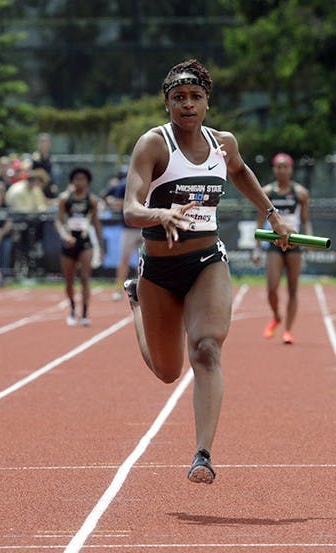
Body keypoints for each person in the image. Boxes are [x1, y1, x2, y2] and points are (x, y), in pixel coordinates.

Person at [122, 59, 293, 484]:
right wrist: (161, 213)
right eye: (178, 97)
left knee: (207, 350)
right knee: (167, 372)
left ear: (207, 104)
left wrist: (271, 215)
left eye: (195, 97)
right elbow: (129, 209)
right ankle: (135, 302)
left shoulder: (223, 144)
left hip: (206, 263)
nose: (187, 104)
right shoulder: (153, 145)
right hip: (159, 269)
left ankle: (203, 454)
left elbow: (240, 172)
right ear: (167, 104)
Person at [252, 152, 310, 345]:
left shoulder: (300, 193)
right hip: (274, 244)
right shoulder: (267, 192)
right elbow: (259, 220)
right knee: (272, 288)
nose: (282, 170)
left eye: (286, 167)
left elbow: (305, 221)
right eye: (279, 167)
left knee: (293, 289)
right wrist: (256, 248)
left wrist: (308, 242)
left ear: (291, 170)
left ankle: (288, 330)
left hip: (294, 244)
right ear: (274, 169)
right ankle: (277, 315)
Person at [55, 167, 104, 326]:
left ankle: (84, 313)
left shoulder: (92, 200)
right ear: (72, 181)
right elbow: (58, 221)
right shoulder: (65, 199)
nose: (79, 182)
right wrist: (65, 235)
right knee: (69, 280)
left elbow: (96, 223)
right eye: (76, 179)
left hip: (85, 242)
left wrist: (100, 246)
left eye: (82, 179)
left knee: (84, 277)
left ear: (87, 181)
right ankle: (72, 309)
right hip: (69, 241)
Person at [104, 166, 144, 301]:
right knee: (127, 260)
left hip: (139, 227)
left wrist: (112, 201)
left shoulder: (127, 185)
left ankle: (137, 288)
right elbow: (114, 200)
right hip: (133, 227)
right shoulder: (124, 186)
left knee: (139, 260)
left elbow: (118, 203)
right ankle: (121, 288)